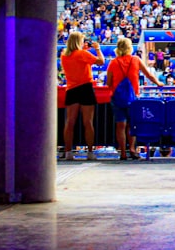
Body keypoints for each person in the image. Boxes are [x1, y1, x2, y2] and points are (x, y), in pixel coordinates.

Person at [106, 37, 163, 161]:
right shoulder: (135, 60)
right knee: (132, 125)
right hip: (133, 98)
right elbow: (149, 75)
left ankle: (122, 152)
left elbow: (108, 82)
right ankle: (132, 149)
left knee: (120, 125)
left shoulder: (113, 62)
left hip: (117, 97)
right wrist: (158, 83)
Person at [60, 31, 105, 161]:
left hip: (71, 89)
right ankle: (90, 152)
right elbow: (101, 62)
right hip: (85, 87)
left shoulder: (64, 55)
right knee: (88, 122)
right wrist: (97, 49)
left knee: (70, 122)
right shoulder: (82, 54)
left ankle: (68, 152)